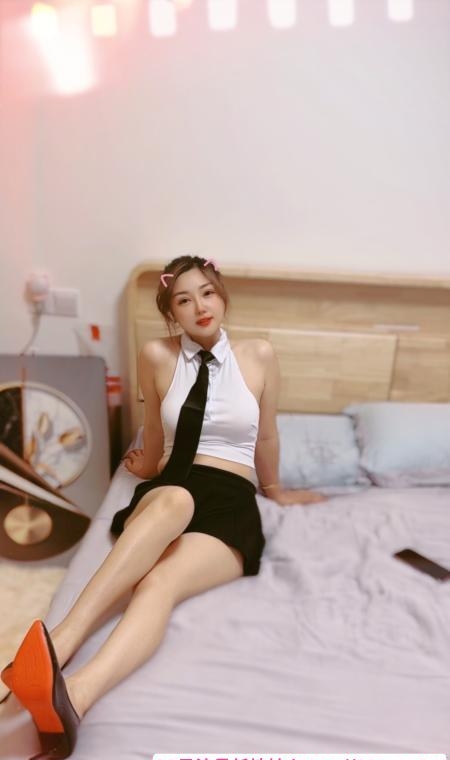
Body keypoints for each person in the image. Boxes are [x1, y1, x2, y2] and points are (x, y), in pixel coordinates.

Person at [1, 254, 327, 759]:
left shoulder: (259, 354)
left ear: (222, 296)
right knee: (174, 497)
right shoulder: (156, 355)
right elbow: (154, 434)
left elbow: (266, 435)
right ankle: (58, 644)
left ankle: (75, 698)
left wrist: (276, 489)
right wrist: (147, 465)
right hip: (175, 483)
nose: (200, 306)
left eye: (208, 293)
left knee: (158, 584)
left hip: (231, 499)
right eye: (184, 299)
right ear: (171, 312)